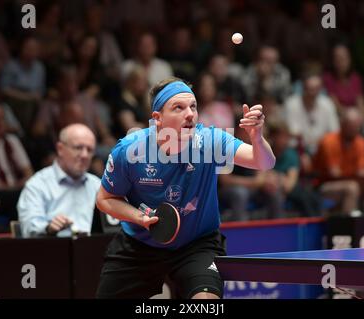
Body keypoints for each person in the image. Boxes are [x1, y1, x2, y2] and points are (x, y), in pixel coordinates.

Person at [96, 77, 275, 299]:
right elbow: (105, 199)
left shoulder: (210, 141)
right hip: (140, 244)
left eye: (193, 106)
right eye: (178, 108)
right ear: (158, 119)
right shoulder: (130, 151)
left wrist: (257, 138)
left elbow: (264, 163)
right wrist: (139, 217)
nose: (189, 114)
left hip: (197, 244)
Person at [17, 124, 100, 238]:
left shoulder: (98, 185)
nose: (85, 155)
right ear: (60, 149)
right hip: (54, 251)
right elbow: (29, 228)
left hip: (95, 250)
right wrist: (48, 228)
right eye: (78, 148)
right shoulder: (37, 185)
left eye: (89, 150)